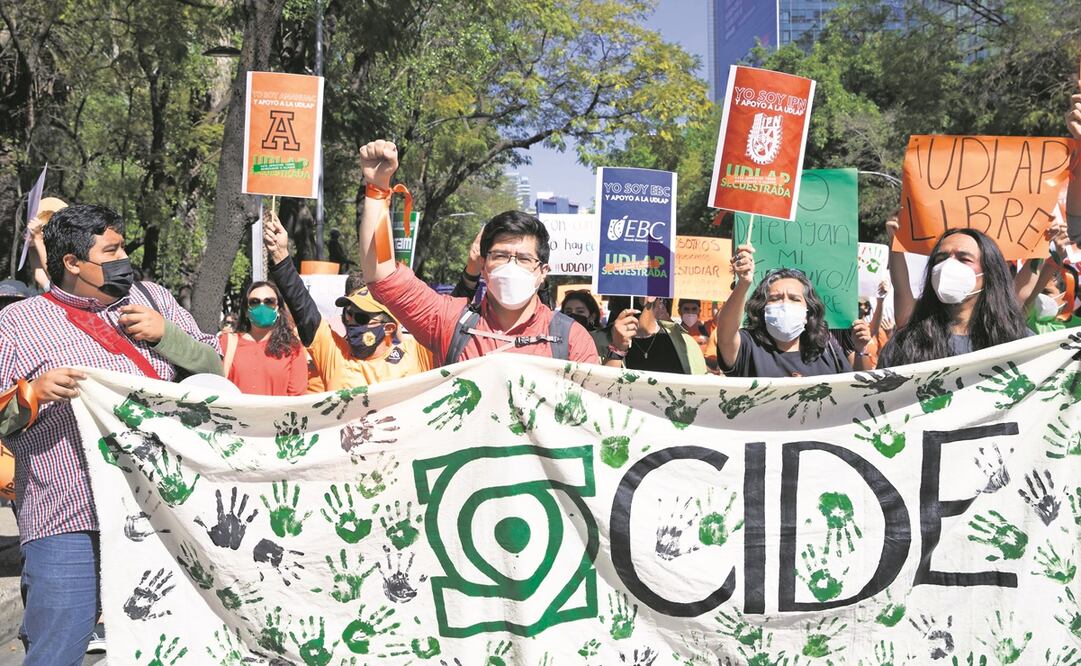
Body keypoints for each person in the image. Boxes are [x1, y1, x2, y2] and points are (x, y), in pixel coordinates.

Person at [0, 204, 222, 663]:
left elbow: (214, 372)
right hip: (67, 514)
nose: (125, 259)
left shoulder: (155, 300)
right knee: (58, 646)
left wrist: (167, 338)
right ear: (73, 263)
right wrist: (33, 394)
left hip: (162, 510)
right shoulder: (17, 324)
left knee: (170, 644)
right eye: (112, 250)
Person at [356, 139, 636, 366]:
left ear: (542, 272)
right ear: (485, 266)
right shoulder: (449, 320)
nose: (511, 266)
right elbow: (382, 275)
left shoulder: (572, 339)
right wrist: (377, 189)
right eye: (500, 256)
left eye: (524, 259)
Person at [263, 213, 434, 388]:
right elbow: (303, 308)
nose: (350, 321)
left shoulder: (415, 355)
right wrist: (280, 254)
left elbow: (452, 322)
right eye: (348, 315)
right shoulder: (335, 354)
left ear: (388, 328)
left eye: (361, 318)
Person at [877, 228, 1030, 368]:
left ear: (989, 272)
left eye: (964, 259)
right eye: (941, 258)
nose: (948, 265)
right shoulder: (905, 344)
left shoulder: (1020, 342)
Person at [715, 244, 870, 378]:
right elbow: (725, 336)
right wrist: (743, 283)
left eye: (794, 299)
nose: (785, 304)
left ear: (808, 310)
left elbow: (856, 392)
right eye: (775, 298)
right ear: (762, 307)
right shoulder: (748, 346)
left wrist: (861, 350)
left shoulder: (826, 347)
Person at [220, 281, 307, 395]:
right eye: (254, 302)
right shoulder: (227, 342)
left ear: (278, 309)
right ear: (246, 311)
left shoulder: (293, 348)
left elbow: (297, 397)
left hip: (276, 413)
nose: (262, 306)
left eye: (269, 301)